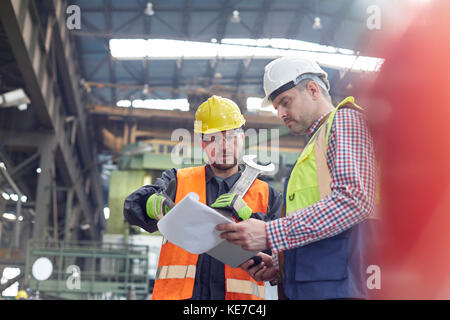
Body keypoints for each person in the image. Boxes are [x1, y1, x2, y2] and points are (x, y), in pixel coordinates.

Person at [217, 56, 377, 300]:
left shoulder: (344, 121)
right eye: (276, 107)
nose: (281, 113)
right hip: (317, 287)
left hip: (345, 289)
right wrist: (281, 266)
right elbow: (319, 226)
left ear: (312, 89)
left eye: (285, 102)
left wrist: (269, 233)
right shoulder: (316, 145)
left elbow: (354, 199)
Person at [123, 95, 283, 300]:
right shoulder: (177, 181)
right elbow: (133, 206)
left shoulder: (268, 195)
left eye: (232, 136)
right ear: (203, 143)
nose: (224, 146)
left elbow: (283, 247)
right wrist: (157, 205)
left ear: (242, 139)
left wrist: (249, 217)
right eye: (214, 138)